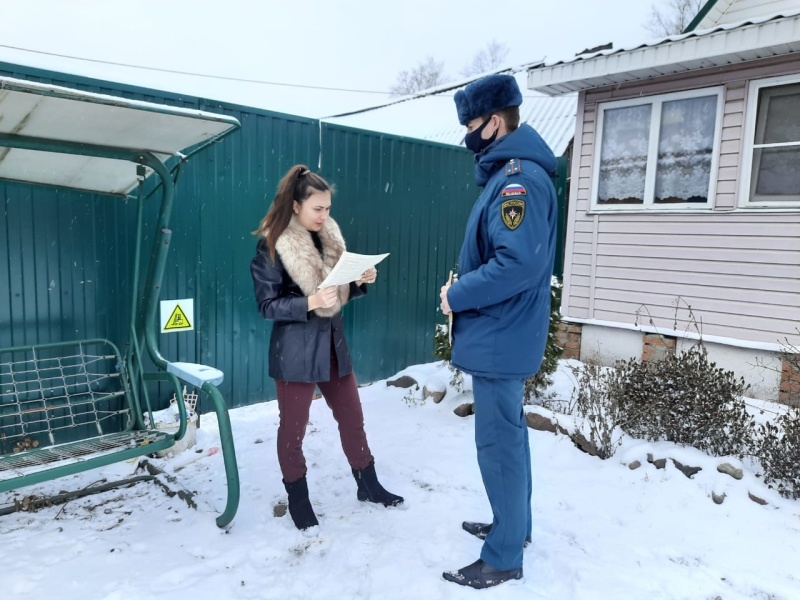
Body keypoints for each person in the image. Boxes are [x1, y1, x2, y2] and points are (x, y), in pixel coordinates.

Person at [439, 74, 558, 589]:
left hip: (500, 337)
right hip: (504, 335)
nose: (469, 135)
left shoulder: (517, 181)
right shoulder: (512, 175)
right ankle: (515, 527)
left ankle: (504, 556)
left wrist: (457, 294)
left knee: (498, 445)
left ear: (496, 121)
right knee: (510, 438)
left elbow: (515, 265)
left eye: (472, 125)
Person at [250, 164, 403, 535]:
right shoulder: (273, 245)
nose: (325, 215)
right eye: (318, 208)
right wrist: (308, 302)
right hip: (296, 353)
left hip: (334, 344)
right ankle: (298, 500)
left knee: (352, 417)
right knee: (293, 430)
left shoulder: (330, 237)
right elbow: (267, 306)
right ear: (297, 205)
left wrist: (360, 279)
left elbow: (337, 291)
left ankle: (368, 484)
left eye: (328, 208)